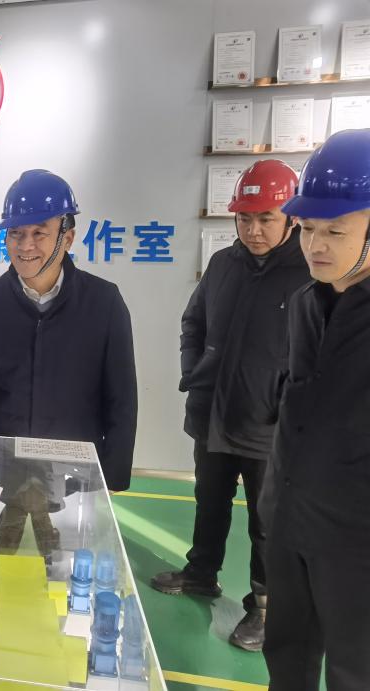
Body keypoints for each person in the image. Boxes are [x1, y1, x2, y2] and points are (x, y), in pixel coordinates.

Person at [150, 160, 308, 652]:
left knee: (267, 522)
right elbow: (193, 322)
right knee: (209, 501)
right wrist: (194, 371)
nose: (254, 230)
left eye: (266, 218)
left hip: (269, 426)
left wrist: (288, 403)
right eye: (245, 218)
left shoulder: (308, 272)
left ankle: (264, 607)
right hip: (213, 415)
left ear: (291, 217)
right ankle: (201, 573)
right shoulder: (223, 265)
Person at [0, 169, 137, 491]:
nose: (26, 245)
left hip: (72, 478)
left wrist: (111, 479)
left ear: (67, 237)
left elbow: (121, 401)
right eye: (16, 233)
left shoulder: (104, 303)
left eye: (39, 233)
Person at [260, 129, 370, 690]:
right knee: (287, 655)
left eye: (335, 231)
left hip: (356, 540)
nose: (315, 246)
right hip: (290, 521)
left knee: (354, 670)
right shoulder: (305, 303)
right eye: (306, 229)